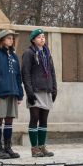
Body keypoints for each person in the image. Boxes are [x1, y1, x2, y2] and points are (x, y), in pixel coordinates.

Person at [0, 29, 23, 159]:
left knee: (9, 121)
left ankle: (8, 148)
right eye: (8, 38)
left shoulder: (14, 56)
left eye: (12, 38)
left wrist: (20, 94)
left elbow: (18, 76)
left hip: (13, 92)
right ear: (2, 40)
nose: (11, 40)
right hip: (0, 94)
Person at [21, 29, 57, 157]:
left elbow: (52, 72)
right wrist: (29, 92)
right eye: (39, 37)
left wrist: (54, 89)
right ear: (33, 39)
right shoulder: (29, 53)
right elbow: (25, 73)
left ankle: (42, 147)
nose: (42, 39)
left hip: (46, 90)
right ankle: (34, 148)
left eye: (43, 37)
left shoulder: (47, 53)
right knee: (34, 118)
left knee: (44, 120)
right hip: (35, 91)